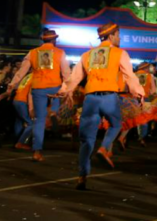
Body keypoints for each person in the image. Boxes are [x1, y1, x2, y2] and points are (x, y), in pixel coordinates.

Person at [57, 23, 145, 190]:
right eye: (118, 35)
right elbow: (130, 76)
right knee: (116, 124)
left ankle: (82, 176)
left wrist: (63, 90)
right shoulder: (120, 53)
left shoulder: (87, 55)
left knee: (86, 141)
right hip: (109, 97)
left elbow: (74, 78)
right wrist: (139, 92)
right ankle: (104, 148)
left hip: (90, 99)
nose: (120, 38)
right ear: (111, 36)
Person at [0, 30, 71, 161]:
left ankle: (37, 152)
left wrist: (11, 87)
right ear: (54, 40)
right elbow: (66, 74)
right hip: (54, 86)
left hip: (38, 88)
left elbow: (21, 72)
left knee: (39, 121)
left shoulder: (32, 53)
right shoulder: (60, 53)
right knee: (57, 97)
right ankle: (54, 111)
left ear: (43, 40)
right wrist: (66, 89)